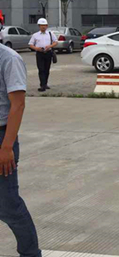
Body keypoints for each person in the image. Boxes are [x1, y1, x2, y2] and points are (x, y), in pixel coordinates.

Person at [0, 25, 42, 257]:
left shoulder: (9, 59)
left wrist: (7, 147)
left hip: (2, 137)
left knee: (8, 205)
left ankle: (30, 253)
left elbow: (18, 104)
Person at [28, 18, 57, 92]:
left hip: (48, 53)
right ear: (39, 26)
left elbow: (55, 42)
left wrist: (49, 46)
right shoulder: (35, 35)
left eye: (45, 25)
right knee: (41, 69)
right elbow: (30, 44)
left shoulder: (50, 34)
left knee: (47, 69)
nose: (43, 27)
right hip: (39, 54)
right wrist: (37, 48)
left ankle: (45, 83)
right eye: (41, 25)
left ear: (47, 26)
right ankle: (42, 85)